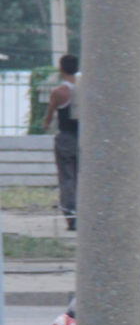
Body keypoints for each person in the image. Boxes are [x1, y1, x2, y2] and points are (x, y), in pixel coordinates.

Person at [42, 54, 79, 231]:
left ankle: (71, 216)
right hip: (84, 137)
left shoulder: (58, 92)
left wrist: (46, 124)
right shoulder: (85, 90)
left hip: (65, 138)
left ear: (61, 69)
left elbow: (48, 118)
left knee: (67, 178)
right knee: (83, 178)